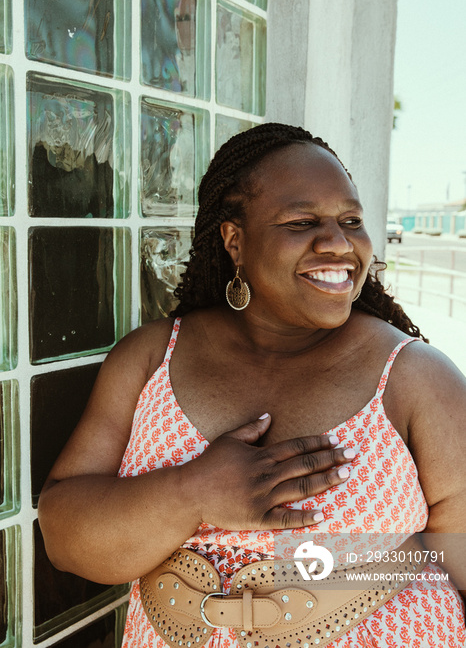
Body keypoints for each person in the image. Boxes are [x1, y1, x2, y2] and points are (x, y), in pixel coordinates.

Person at [39, 123, 466, 648]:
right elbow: (62, 534)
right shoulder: (151, 358)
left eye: (351, 220)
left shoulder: (415, 377)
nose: (338, 242)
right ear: (235, 241)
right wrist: (191, 493)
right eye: (302, 220)